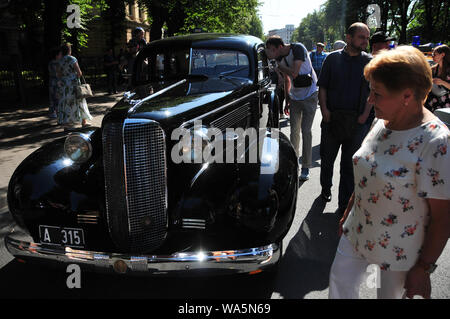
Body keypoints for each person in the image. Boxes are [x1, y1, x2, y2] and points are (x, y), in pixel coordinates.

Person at [329, 45, 450, 299]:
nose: (369, 100)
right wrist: (349, 211)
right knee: (340, 287)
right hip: (356, 233)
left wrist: (424, 268)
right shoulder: (381, 121)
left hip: (399, 252)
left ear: (407, 96)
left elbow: (443, 217)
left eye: (377, 93)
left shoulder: (436, 142)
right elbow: (367, 172)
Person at [317, 22, 373, 214]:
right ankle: (325, 189)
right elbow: (322, 86)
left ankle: (343, 206)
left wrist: (365, 115)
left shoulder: (369, 61)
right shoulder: (332, 59)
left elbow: (372, 92)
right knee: (327, 160)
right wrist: (324, 110)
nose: (366, 41)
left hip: (357, 123)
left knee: (349, 165)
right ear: (349, 38)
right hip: (331, 119)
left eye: (367, 37)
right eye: (361, 37)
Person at [266, 36, 318, 181]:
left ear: (280, 47)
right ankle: (294, 163)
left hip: (310, 95)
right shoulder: (279, 57)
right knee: (294, 131)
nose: (270, 53)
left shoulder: (298, 48)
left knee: (306, 131)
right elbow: (288, 79)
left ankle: (306, 166)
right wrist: (287, 99)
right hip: (295, 97)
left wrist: (278, 67)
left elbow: (294, 72)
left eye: (272, 50)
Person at [57, 43, 92, 131]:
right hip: (74, 85)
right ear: (69, 50)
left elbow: (59, 74)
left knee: (66, 103)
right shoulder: (72, 59)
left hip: (65, 86)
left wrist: (65, 78)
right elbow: (79, 73)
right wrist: (74, 76)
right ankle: (84, 122)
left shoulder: (60, 60)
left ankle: (67, 125)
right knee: (80, 101)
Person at [425, 44, 450, 112]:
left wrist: (442, 82)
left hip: (446, 103)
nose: (432, 57)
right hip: (433, 101)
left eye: (434, 54)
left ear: (442, 55)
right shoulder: (433, 69)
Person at [48, 47, 62, 119]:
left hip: (52, 82)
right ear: (57, 55)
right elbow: (57, 74)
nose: (61, 56)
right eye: (60, 54)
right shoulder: (56, 63)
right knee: (57, 98)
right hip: (56, 82)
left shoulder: (51, 62)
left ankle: (53, 112)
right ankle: (56, 112)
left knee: (53, 98)